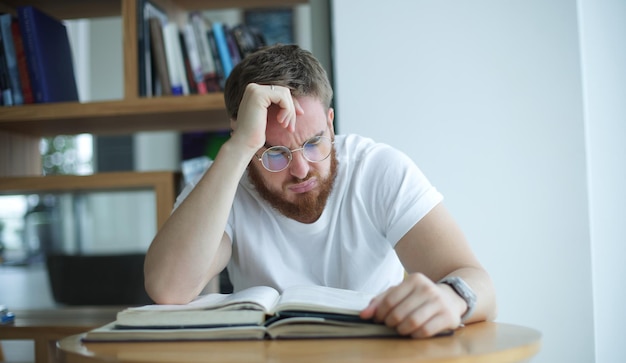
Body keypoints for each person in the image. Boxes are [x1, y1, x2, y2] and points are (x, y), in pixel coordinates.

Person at [144, 44, 497, 338]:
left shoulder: (378, 169)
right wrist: (239, 149)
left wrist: (452, 298)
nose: (301, 170)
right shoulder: (225, 181)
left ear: (330, 123)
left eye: (314, 143)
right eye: (275, 153)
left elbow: (478, 283)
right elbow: (169, 288)